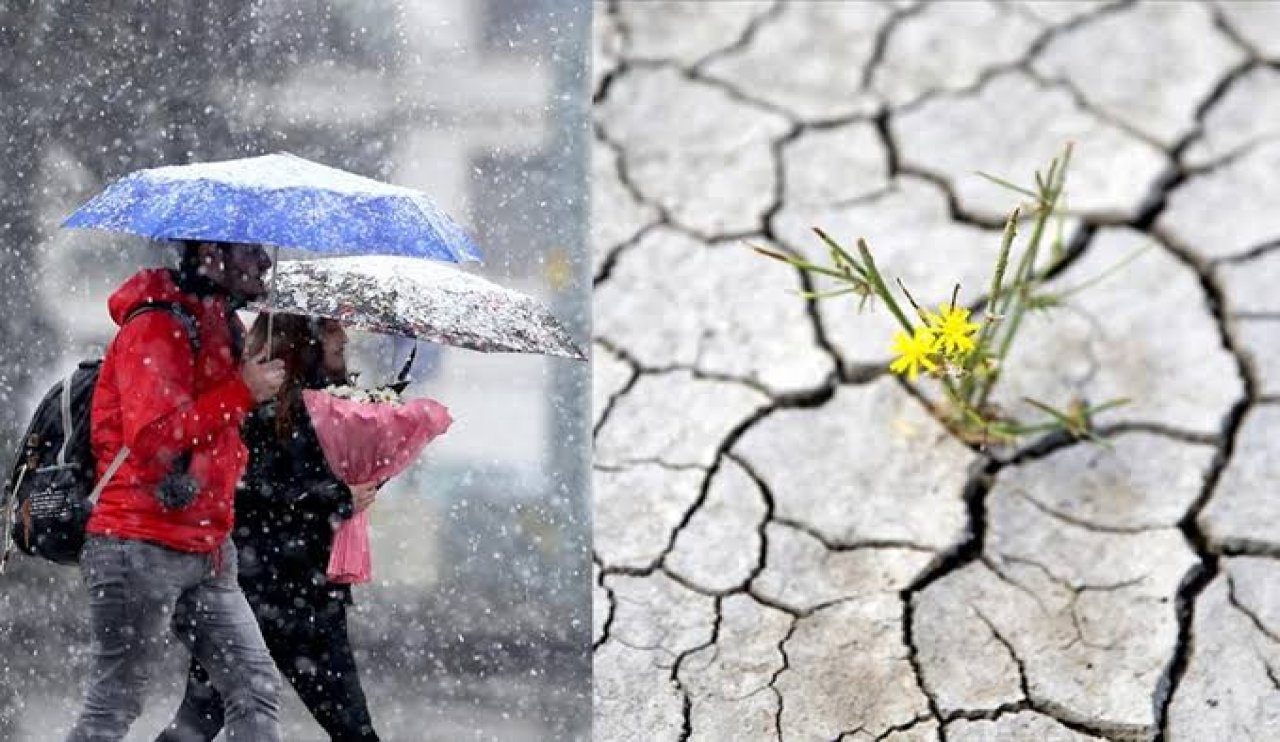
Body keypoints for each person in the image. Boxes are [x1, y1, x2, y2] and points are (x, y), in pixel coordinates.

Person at [68, 241, 287, 741]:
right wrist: (241, 392)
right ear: (212, 253)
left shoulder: (221, 324)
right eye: (252, 253)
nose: (265, 264)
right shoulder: (158, 325)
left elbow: (220, 432)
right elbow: (152, 438)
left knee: (254, 689)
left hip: (207, 548)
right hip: (137, 541)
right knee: (114, 706)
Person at [158, 313, 382, 742]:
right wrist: (334, 497)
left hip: (303, 594)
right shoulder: (254, 408)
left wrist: (364, 480)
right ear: (303, 339)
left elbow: (309, 490)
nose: (344, 336)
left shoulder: (335, 407)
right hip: (260, 592)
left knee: (351, 728)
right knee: (199, 721)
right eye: (332, 327)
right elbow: (249, 494)